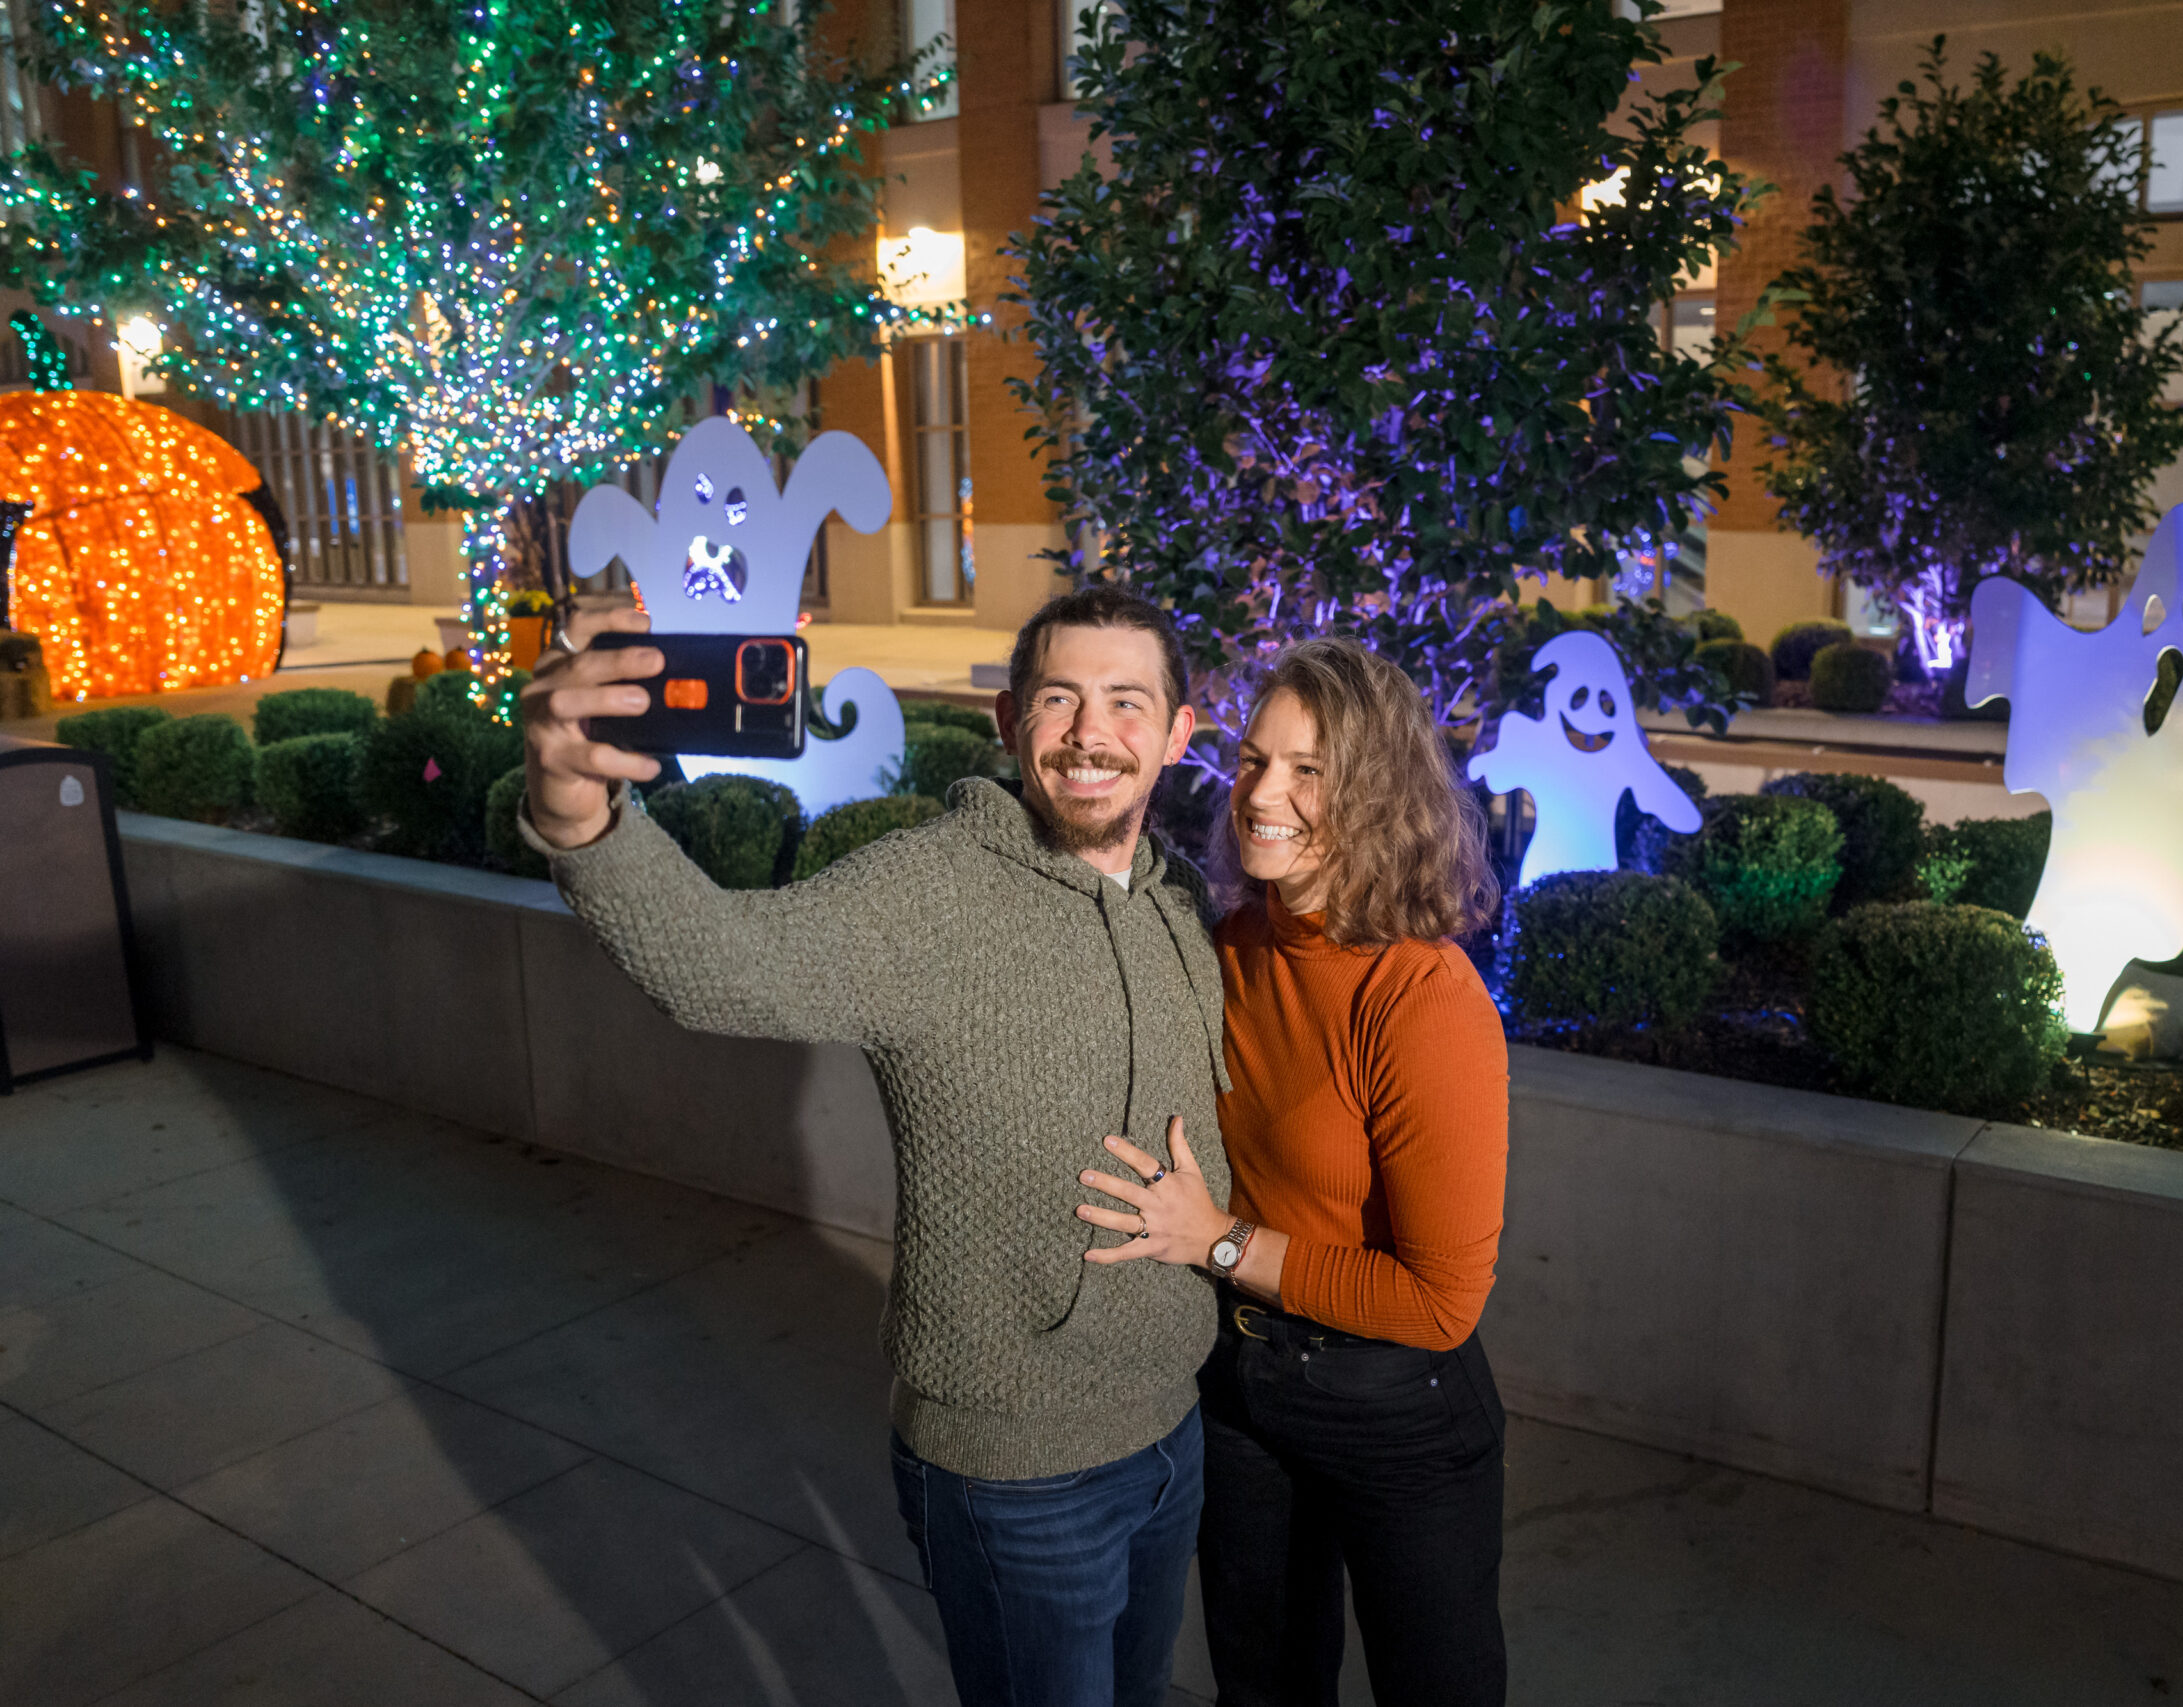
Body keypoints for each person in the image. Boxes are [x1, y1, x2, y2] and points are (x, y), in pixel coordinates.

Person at [518, 586, 1233, 1707]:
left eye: (1127, 703)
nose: (1093, 734)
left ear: (1179, 734)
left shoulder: (1178, 902)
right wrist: (577, 816)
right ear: (1008, 722)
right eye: (1060, 700)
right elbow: (719, 967)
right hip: (1013, 1472)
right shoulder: (926, 891)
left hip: (1174, 1435)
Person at [1072, 637, 1512, 1707]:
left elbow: (1441, 1300)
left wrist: (1217, 1241)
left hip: (1395, 1404)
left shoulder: (1420, 997)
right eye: (1254, 760)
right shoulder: (1233, 945)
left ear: (1379, 793)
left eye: (1308, 770)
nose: (1261, 793)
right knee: (1261, 1688)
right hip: (1240, 1384)